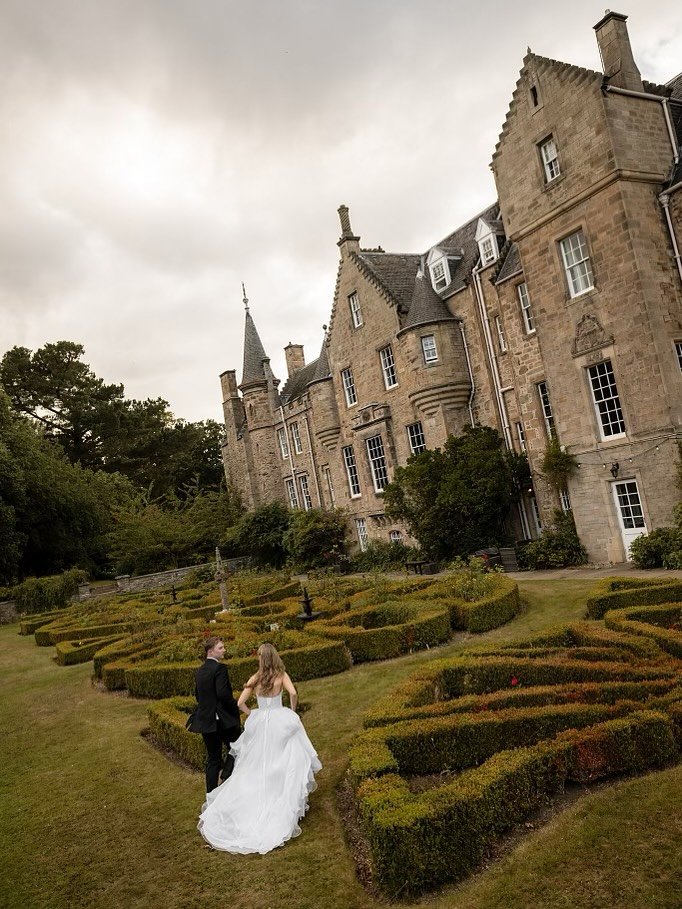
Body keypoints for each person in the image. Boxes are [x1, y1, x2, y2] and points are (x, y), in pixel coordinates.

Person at [197, 642, 322, 854]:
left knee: (256, 761)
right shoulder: (281, 675)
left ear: (261, 659)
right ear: (275, 656)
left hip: (261, 720)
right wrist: (292, 711)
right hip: (279, 718)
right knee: (286, 757)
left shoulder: (255, 678)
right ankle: (284, 795)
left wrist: (253, 713)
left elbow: (240, 703)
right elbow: (293, 693)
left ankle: (259, 796)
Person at [186, 636, 241, 793]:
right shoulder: (220, 668)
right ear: (210, 651)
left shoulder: (200, 671)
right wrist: (235, 706)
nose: (224, 650)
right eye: (220, 648)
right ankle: (226, 776)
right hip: (220, 720)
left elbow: (198, 696)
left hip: (205, 721)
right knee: (239, 745)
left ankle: (211, 795)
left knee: (213, 759)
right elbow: (223, 694)